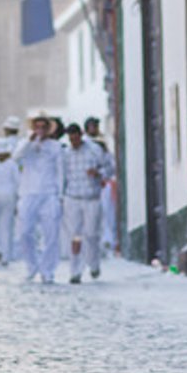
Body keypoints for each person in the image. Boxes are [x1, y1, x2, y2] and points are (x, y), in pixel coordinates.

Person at [12, 111, 66, 283]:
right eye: (37, 126)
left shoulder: (55, 147)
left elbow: (60, 172)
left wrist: (60, 194)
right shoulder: (24, 144)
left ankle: (48, 269)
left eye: (44, 126)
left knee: (51, 234)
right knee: (24, 232)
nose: (40, 129)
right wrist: (31, 140)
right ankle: (31, 265)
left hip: (49, 193)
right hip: (28, 193)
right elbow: (16, 157)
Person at [59, 122, 112, 284]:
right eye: (71, 139)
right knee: (75, 235)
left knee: (91, 234)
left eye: (76, 138)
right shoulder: (65, 154)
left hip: (91, 198)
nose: (73, 142)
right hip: (72, 198)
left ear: (81, 135)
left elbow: (110, 169)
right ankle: (75, 270)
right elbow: (61, 177)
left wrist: (98, 173)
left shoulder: (94, 150)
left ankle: (94, 264)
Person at [86, 118, 119, 257]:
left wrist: (100, 174)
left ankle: (107, 241)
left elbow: (110, 166)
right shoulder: (84, 146)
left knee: (107, 214)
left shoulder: (102, 144)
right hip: (86, 188)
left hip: (103, 185)